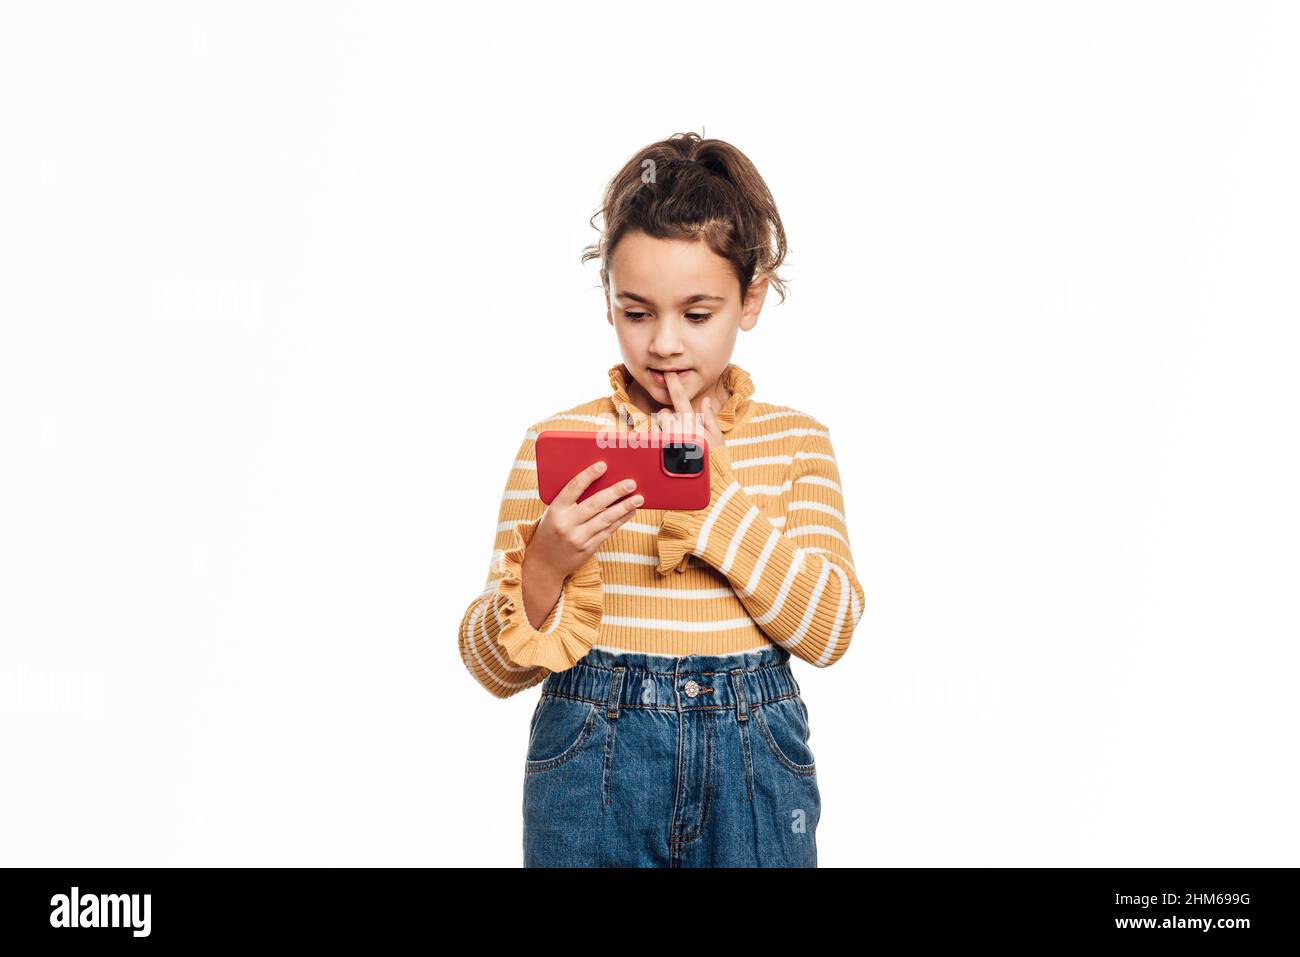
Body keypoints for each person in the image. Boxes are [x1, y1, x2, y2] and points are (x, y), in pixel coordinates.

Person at [457, 131, 865, 867]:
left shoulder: (796, 443)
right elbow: (490, 667)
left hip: (753, 777)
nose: (665, 344)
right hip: (594, 771)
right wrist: (547, 562)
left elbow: (831, 629)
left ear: (752, 299)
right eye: (637, 312)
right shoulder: (562, 446)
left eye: (697, 313)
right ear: (608, 299)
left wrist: (713, 501)